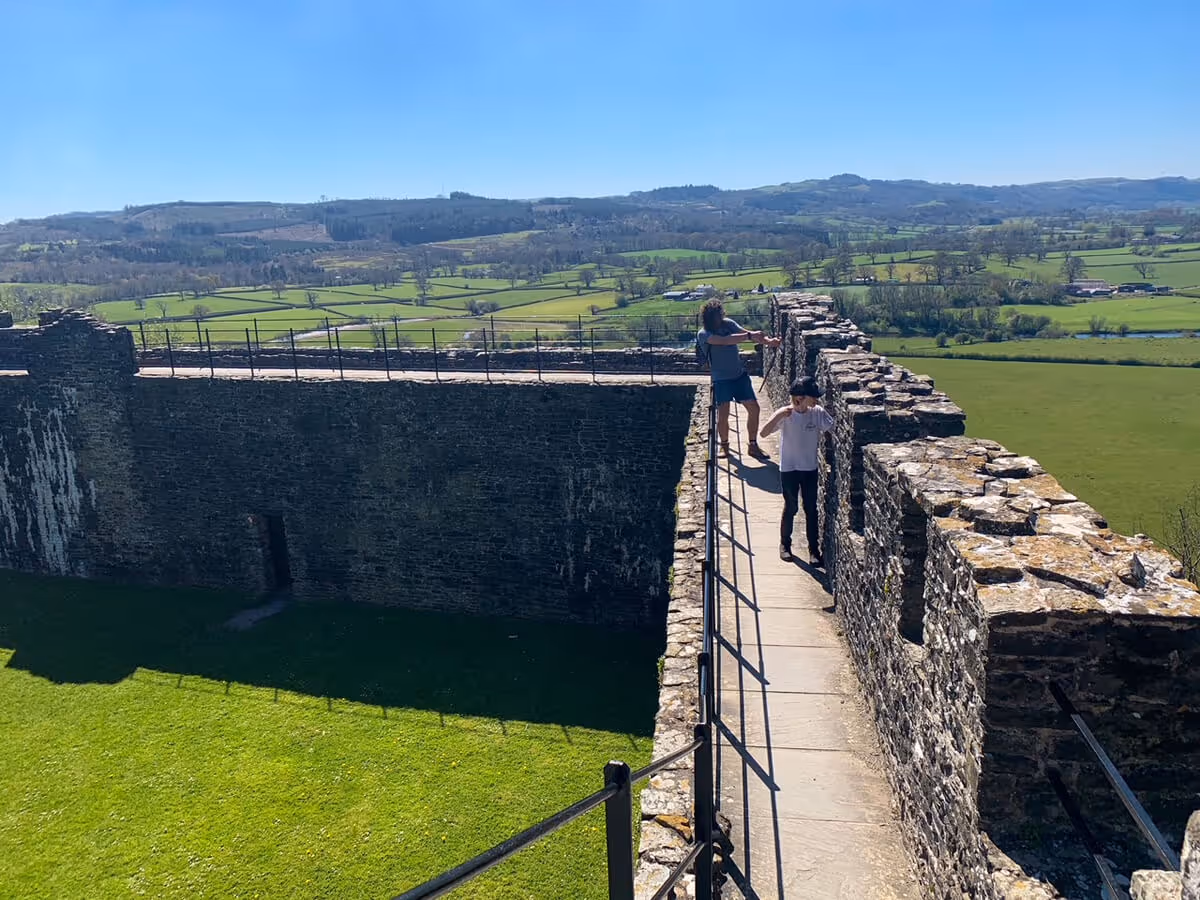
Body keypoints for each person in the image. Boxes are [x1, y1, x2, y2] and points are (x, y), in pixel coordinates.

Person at [759, 377, 834, 565]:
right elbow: (764, 433)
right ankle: (785, 544)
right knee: (791, 506)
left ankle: (813, 550)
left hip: (809, 468)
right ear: (799, 398)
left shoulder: (816, 413)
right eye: (813, 396)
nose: (816, 400)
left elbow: (832, 427)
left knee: (811, 508)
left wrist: (827, 415)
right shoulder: (786, 414)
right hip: (789, 469)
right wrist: (779, 416)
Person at [696, 298, 781, 459]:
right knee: (723, 414)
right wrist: (750, 335)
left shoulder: (727, 324)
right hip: (721, 379)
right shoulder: (704, 334)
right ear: (710, 317)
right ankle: (724, 446)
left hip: (738, 375)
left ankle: (753, 445)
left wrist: (769, 342)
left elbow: (745, 334)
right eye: (719, 315)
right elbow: (724, 341)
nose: (721, 317)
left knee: (754, 408)